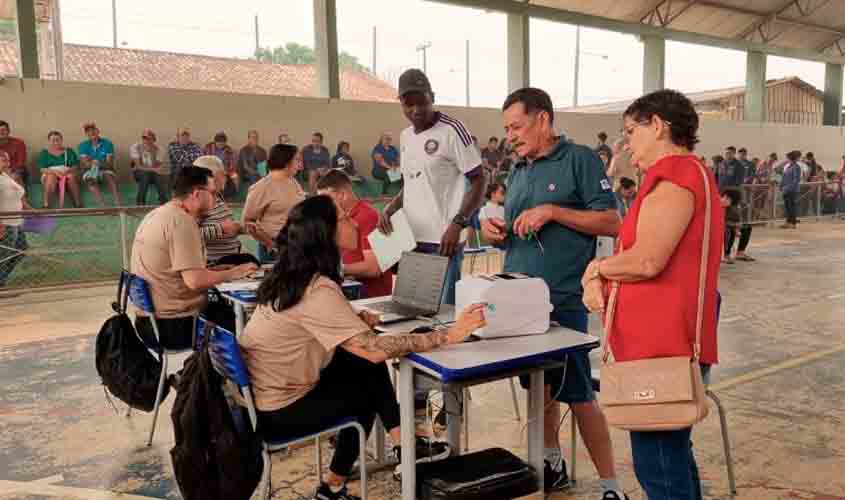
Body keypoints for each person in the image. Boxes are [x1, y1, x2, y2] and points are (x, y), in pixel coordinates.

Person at [239, 195, 485, 500]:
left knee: (362, 365)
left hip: (261, 396)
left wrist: (352, 318)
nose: (353, 221)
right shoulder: (317, 288)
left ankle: (402, 446)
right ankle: (337, 485)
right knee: (364, 390)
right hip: (279, 411)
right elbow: (374, 350)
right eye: (344, 218)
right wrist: (449, 334)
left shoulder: (291, 275)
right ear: (325, 232)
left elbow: (312, 324)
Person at [480, 87, 624, 499]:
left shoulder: (578, 160)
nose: (510, 135)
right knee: (540, 389)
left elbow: (612, 221)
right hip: (517, 300)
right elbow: (516, 239)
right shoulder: (518, 170)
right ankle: (552, 461)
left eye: (517, 126)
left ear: (543, 119)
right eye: (506, 128)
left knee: (578, 395)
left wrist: (554, 211)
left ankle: (611, 486)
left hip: (562, 301)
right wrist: (496, 235)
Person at [581, 89, 723, 500]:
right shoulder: (679, 176)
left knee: (659, 465)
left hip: (662, 344)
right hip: (657, 342)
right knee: (670, 458)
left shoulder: (676, 174)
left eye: (631, 131)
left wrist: (596, 268)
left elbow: (647, 260)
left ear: (658, 125)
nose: (626, 143)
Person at [378, 68, 486, 307]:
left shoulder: (452, 130)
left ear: (432, 97)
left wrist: (458, 223)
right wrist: (390, 209)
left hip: (442, 241)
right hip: (411, 240)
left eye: (422, 102)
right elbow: (413, 183)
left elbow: (480, 179)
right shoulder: (405, 136)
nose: (416, 110)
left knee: (441, 317)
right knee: (411, 311)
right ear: (401, 104)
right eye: (408, 104)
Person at [130, 166, 256, 351]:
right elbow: (195, 282)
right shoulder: (182, 222)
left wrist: (213, 271)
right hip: (174, 326)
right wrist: (235, 272)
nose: (216, 198)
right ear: (197, 193)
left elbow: (177, 271)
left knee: (222, 308)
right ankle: (220, 377)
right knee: (241, 321)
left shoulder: (159, 214)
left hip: (149, 323)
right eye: (213, 193)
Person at [317, 170, 393, 298]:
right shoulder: (336, 217)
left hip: (369, 297)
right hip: (346, 291)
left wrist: (331, 269)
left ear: (342, 195)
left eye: (325, 199)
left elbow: (374, 268)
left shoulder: (368, 216)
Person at [242, 144, 306, 263]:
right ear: (286, 163)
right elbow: (248, 222)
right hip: (275, 249)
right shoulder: (262, 187)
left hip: (298, 245)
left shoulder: (293, 181)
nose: (301, 165)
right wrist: (271, 245)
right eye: (297, 160)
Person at [194, 156, 243, 263]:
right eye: (223, 174)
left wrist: (240, 227)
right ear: (211, 177)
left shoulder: (218, 196)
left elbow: (225, 226)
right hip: (213, 263)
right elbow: (190, 235)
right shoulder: (198, 202)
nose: (225, 178)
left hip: (228, 261)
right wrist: (220, 229)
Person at [0, 150, 29, 287]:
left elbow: (18, 194)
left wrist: (31, 210)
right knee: (4, 257)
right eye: (4, 159)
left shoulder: (5, 175)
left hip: (17, 222)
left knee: (21, 250)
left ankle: (2, 281)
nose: (8, 162)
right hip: (5, 223)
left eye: (7, 159)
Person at [78, 122, 121, 206]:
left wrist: (95, 162)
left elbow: (109, 164)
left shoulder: (107, 143)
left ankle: (118, 204)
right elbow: (85, 165)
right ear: (86, 134)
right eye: (88, 131)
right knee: (90, 181)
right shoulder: (83, 145)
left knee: (109, 177)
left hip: (105, 170)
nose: (91, 133)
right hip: (89, 171)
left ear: (98, 131)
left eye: (93, 130)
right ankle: (103, 206)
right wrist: (98, 163)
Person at [37, 131, 82, 208]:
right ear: (49, 141)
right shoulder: (44, 153)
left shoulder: (69, 151)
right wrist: (55, 172)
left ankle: (78, 204)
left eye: (58, 140)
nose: (56, 142)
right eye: (53, 140)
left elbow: (75, 166)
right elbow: (42, 169)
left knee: (71, 177)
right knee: (51, 177)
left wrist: (67, 171)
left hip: (67, 173)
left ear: (61, 140)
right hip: (50, 173)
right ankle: (46, 204)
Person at [130, 129, 169, 205]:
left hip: (154, 173)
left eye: (148, 138)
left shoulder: (159, 149)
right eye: (144, 138)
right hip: (139, 173)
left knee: (158, 176)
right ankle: (140, 201)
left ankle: (163, 200)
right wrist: (152, 169)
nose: (146, 140)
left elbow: (157, 166)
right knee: (145, 175)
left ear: (153, 140)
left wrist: (152, 153)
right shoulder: (135, 147)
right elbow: (138, 166)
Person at [204, 132, 238, 199]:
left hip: (224, 170)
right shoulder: (208, 148)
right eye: (219, 142)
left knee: (235, 176)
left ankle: (230, 196)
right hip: (209, 170)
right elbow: (205, 160)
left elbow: (232, 164)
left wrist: (227, 171)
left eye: (223, 142)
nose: (221, 144)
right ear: (215, 141)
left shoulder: (229, 150)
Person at [0, 121, 28, 193]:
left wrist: (10, 171)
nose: (1, 132)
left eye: (3, 130)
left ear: (8, 131)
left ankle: (23, 202)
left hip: (16, 170)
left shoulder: (18, 143)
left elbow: (21, 162)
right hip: (1, 171)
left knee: (15, 177)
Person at [781, 150, 802, 229]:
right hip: (786, 189)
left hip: (792, 190)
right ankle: (788, 222)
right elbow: (784, 177)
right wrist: (781, 186)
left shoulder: (796, 167)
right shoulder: (788, 166)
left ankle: (792, 223)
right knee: (787, 207)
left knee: (791, 207)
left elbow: (796, 180)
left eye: (788, 158)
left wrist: (787, 188)